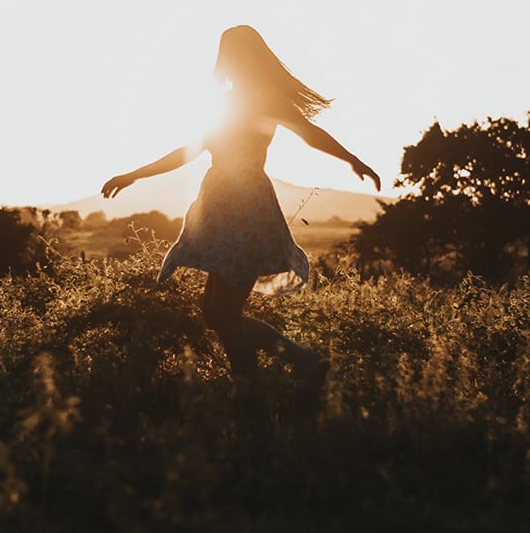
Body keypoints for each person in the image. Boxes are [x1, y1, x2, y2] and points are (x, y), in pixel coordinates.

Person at [101, 25, 380, 394]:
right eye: (227, 54)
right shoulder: (224, 102)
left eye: (237, 54)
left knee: (225, 315)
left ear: (252, 56)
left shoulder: (268, 97)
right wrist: (135, 174)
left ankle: (255, 393)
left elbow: (310, 134)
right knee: (215, 314)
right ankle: (302, 364)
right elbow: (189, 150)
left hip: (247, 210)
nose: (230, 62)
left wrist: (352, 159)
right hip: (218, 209)